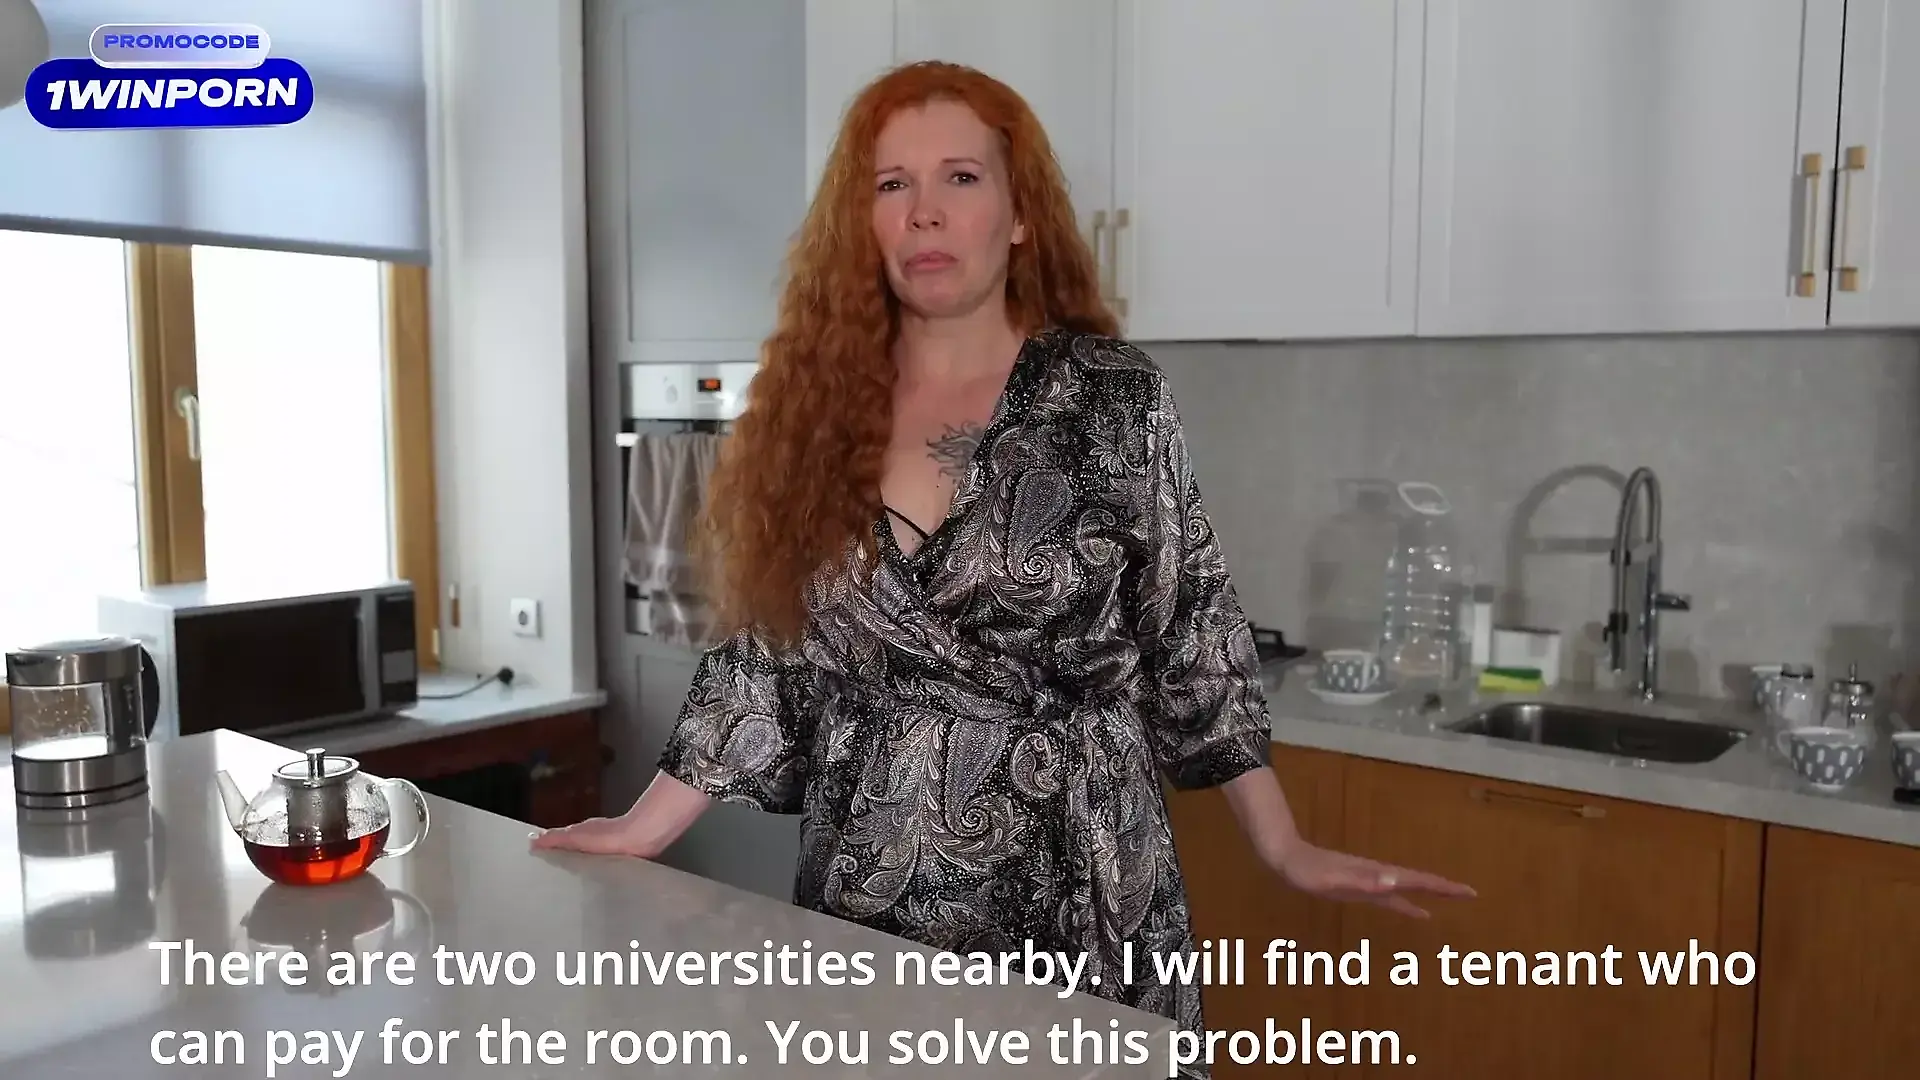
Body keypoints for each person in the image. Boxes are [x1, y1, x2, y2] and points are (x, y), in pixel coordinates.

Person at [534, 60, 1473, 1072]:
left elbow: (1191, 627)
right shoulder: (813, 410)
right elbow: (765, 656)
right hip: (872, 886)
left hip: (1079, 876)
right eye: (892, 184)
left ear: (1021, 215)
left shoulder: (1111, 398)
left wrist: (1281, 843)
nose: (925, 212)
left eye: (961, 178)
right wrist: (641, 826)